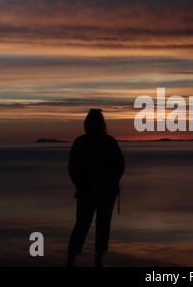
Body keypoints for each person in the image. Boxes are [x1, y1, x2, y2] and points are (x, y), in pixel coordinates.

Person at [66, 109, 125, 267]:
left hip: (91, 192)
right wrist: (112, 182)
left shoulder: (81, 142)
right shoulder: (108, 141)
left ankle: (72, 260)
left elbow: (72, 168)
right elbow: (120, 166)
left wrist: (79, 185)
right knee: (101, 226)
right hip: (101, 192)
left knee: (83, 225)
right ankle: (97, 260)